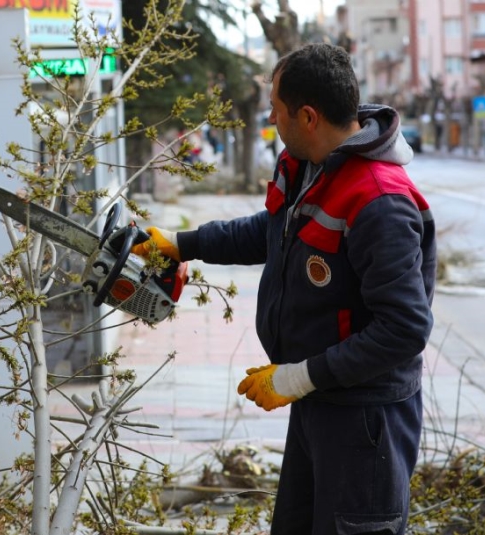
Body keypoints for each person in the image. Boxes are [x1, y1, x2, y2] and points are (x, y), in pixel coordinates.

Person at [132, 43, 436, 535]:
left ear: (309, 116)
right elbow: (270, 232)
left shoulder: (379, 202)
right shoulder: (306, 165)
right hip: (317, 401)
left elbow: (404, 330)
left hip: (365, 422)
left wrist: (296, 378)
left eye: (275, 108)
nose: (271, 117)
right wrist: (181, 244)